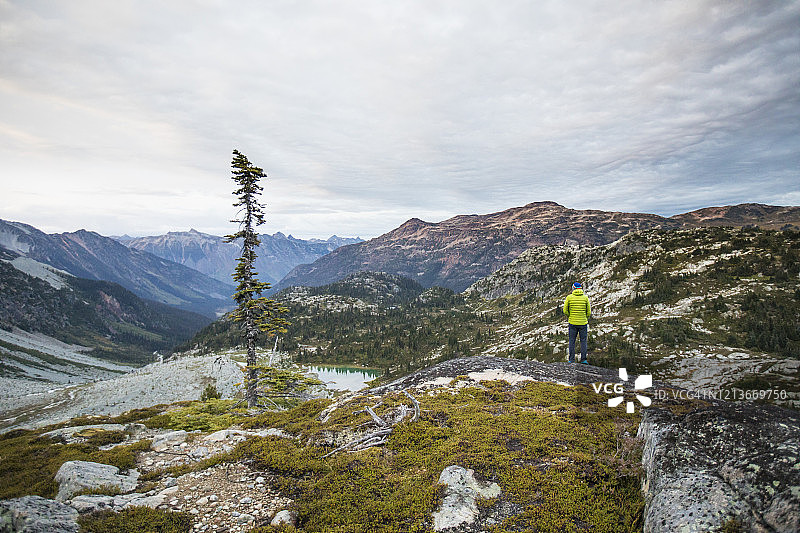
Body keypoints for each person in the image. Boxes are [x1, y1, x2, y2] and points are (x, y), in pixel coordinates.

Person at [563, 282, 591, 364]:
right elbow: (589, 312)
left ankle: (571, 359)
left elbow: (565, 310)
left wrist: (570, 316)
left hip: (572, 322)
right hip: (583, 323)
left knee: (572, 341)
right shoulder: (585, 298)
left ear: (573, 288)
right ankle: (583, 359)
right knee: (583, 341)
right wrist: (585, 317)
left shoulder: (569, 297)